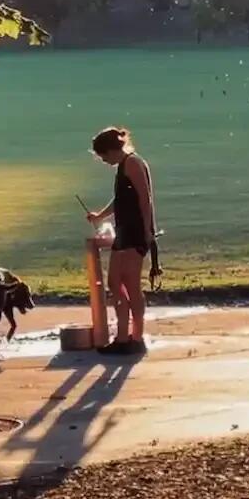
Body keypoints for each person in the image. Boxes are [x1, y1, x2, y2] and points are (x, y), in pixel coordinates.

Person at [86, 126, 156, 355]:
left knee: (129, 284)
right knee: (116, 283)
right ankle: (125, 336)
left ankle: (134, 337)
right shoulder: (124, 167)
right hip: (125, 231)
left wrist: (147, 231)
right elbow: (121, 200)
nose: (104, 161)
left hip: (135, 232)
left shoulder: (133, 164)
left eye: (103, 156)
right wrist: (100, 216)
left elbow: (145, 200)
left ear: (111, 150)